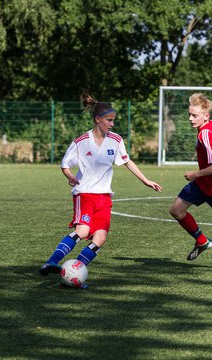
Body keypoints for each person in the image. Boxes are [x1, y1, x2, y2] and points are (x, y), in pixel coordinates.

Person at [39, 90, 162, 288]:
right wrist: (70, 176)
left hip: (104, 197)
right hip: (85, 194)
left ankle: (75, 271)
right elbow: (65, 164)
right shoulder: (81, 142)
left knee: (100, 238)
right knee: (82, 230)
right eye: (109, 120)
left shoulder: (116, 140)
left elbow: (127, 161)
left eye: (113, 120)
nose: (112, 124)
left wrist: (145, 180)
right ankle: (51, 262)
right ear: (98, 119)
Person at [170, 93, 212, 261]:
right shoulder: (205, 130)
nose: (190, 118)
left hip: (208, 183)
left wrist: (195, 174)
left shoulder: (205, 134)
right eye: (190, 114)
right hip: (203, 184)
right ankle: (202, 242)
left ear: (206, 116)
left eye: (194, 115)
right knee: (176, 210)